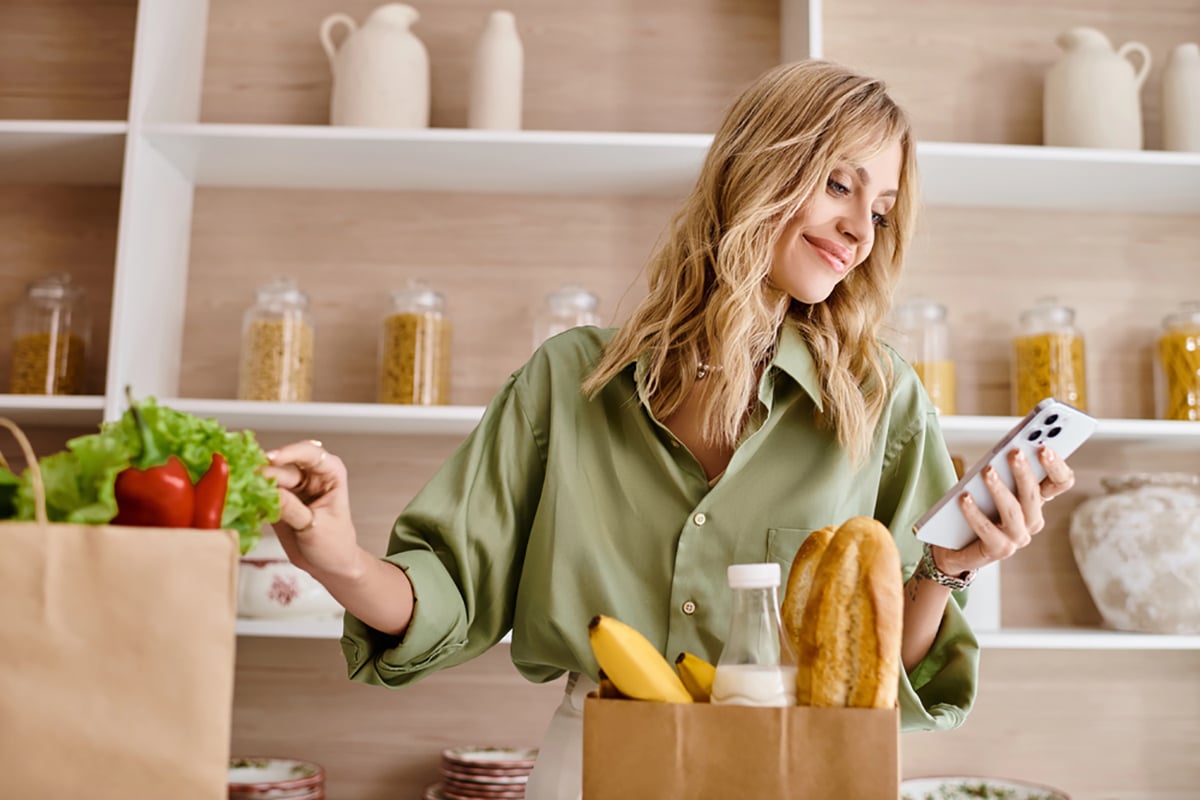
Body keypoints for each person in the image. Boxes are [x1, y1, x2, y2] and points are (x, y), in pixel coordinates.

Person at [263, 59, 1076, 800]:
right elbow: (448, 596)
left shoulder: (881, 399)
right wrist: (336, 558)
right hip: (597, 766)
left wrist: (948, 571)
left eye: (883, 209)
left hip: (796, 770)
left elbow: (880, 674)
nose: (863, 231)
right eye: (838, 185)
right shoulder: (569, 383)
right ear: (759, 169)